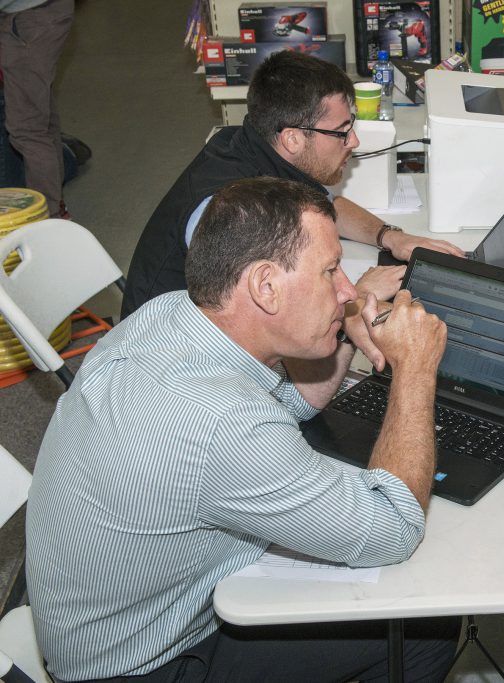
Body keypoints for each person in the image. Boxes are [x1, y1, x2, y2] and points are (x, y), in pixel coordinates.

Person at [26, 176, 460, 682]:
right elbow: (393, 528)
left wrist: (343, 322)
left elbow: (296, 403)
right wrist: (416, 369)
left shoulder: (168, 315)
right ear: (264, 286)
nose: (346, 290)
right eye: (331, 271)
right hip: (136, 667)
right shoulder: (221, 423)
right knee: (423, 629)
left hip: (87, 624)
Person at [120, 49, 462, 318]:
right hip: (176, 365)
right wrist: (357, 294)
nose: (354, 141)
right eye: (342, 132)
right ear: (294, 138)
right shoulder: (231, 212)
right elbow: (270, 321)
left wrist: (392, 237)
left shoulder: (258, 144)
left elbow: (322, 204)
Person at [0, 0, 74, 218]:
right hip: (41, 11)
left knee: (27, 129)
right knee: (40, 113)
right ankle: (56, 208)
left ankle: (47, 220)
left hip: (28, 18)